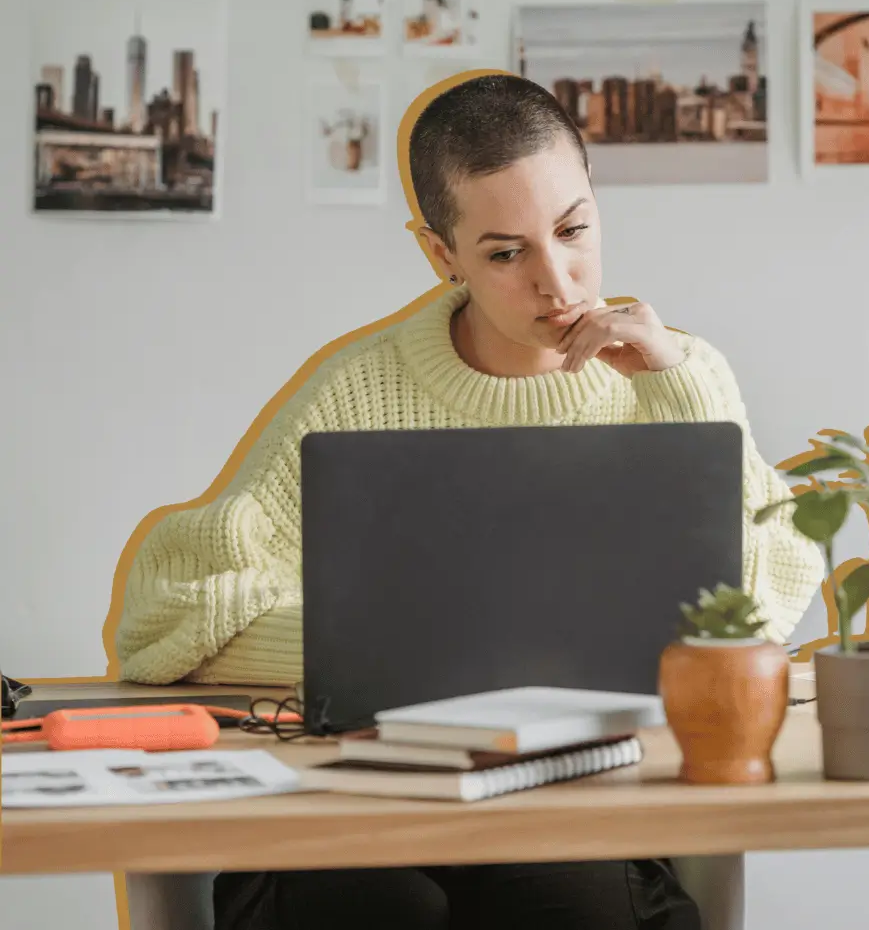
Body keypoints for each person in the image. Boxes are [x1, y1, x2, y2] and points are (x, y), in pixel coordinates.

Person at [113, 73, 824, 929]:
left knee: (575, 905)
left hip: (579, 800)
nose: (557, 283)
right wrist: (369, 662)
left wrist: (676, 389)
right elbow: (163, 619)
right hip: (368, 798)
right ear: (440, 253)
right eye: (504, 251)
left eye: (573, 230)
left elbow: (764, 605)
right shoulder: (359, 391)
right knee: (361, 904)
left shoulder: (679, 374)